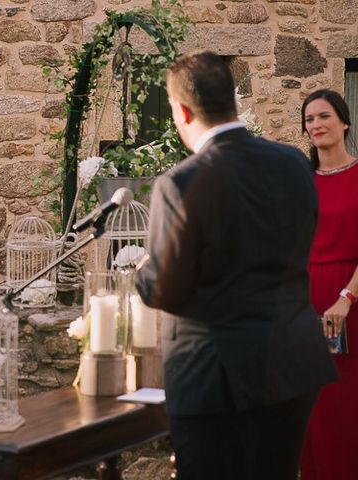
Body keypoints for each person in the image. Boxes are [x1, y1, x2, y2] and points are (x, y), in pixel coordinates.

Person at [134, 50, 338, 480]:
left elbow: (166, 290)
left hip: (216, 377)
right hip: (291, 365)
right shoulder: (293, 165)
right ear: (233, 100)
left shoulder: (182, 181)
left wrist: (143, 270)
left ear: (182, 111)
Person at [300, 89, 358, 480]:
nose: (316, 125)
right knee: (311, 411)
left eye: (323, 116)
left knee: (346, 408)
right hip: (303, 304)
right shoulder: (299, 182)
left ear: (344, 122)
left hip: (349, 300)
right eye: (309, 120)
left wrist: (347, 297)